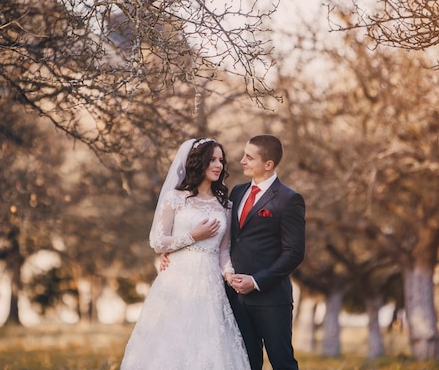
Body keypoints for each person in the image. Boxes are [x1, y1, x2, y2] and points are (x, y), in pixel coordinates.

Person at [119, 138, 251, 370]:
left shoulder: (224, 205)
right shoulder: (175, 198)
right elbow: (157, 242)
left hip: (210, 287)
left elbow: (223, 251)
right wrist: (192, 236)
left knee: (209, 346)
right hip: (175, 283)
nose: (218, 165)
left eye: (221, 160)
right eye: (212, 159)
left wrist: (229, 274)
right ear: (197, 163)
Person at [226, 134, 306, 370]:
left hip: (271, 299)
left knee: (282, 362)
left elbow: (294, 252)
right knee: (246, 363)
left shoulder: (289, 199)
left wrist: (256, 281)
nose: (242, 161)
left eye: (249, 157)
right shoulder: (238, 192)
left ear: (268, 164)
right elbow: (230, 239)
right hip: (236, 298)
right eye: (243, 155)